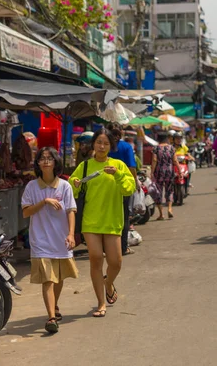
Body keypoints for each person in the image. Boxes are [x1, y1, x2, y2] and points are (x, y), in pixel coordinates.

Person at [69, 129, 136, 317]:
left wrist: (118, 175)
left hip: (113, 220)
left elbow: (129, 189)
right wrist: (74, 182)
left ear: (111, 146)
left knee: (116, 262)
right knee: (96, 258)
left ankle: (108, 282)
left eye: (106, 143)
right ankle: (101, 303)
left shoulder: (119, 165)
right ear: (93, 144)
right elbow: (72, 188)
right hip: (91, 221)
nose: (102, 146)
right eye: (99, 142)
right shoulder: (84, 166)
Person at [22, 147, 78, 334]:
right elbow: (25, 212)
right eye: (42, 158)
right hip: (40, 240)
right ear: (37, 163)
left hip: (60, 239)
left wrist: (71, 234)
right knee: (48, 280)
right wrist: (44, 201)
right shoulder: (31, 187)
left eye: (49, 158)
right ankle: (51, 318)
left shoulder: (65, 186)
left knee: (59, 277)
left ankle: (55, 306)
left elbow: (71, 211)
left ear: (55, 162)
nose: (46, 161)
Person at [106, 123, 139, 256]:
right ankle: (123, 247)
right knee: (124, 216)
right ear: (121, 133)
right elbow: (131, 167)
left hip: (105, 186)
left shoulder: (103, 145)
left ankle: (106, 249)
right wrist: (135, 181)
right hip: (123, 185)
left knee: (107, 216)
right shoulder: (126, 147)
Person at [151, 132, 180, 220]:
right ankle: (170, 208)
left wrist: (152, 172)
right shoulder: (171, 148)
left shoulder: (156, 148)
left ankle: (161, 214)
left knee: (158, 192)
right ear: (166, 139)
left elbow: (154, 160)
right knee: (169, 190)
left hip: (159, 172)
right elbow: (175, 160)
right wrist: (179, 171)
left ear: (158, 139)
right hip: (169, 171)